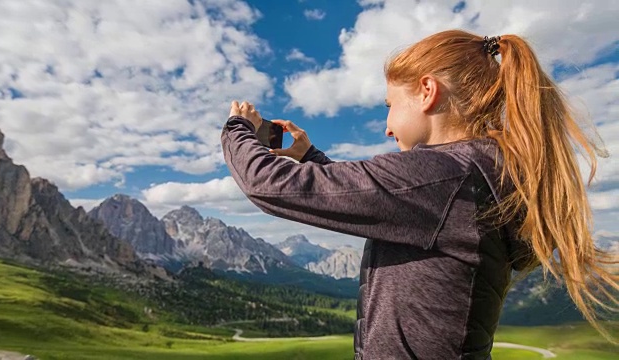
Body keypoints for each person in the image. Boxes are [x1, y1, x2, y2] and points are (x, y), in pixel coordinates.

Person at [220, 29, 618, 359]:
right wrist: (311, 157)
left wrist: (237, 127)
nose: (387, 128)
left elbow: (266, 184)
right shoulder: (477, 173)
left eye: (390, 105)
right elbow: (380, 198)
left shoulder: (445, 176)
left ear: (427, 91)